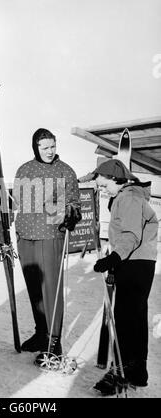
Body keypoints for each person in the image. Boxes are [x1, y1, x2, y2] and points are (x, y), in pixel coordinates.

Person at [89, 159, 158, 395]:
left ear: (114, 178)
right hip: (138, 261)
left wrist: (113, 258)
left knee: (127, 319)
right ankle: (136, 372)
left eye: (103, 184)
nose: (102, 189)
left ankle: (122, 371)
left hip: (134, 263)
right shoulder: (129, 196)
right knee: (135, 318)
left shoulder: (128, 197)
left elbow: (130, 235)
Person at [13, 128, 81, 363]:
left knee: (50, 290)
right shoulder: (25, 169)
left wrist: (71, 213)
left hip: (50, 234)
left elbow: (74, 203)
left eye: (52, 146)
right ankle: (41, 334)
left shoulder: (65, 171)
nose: (50, 151)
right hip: (26, 235)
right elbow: (17, 200)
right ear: (36, 147)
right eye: (44, 147)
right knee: (34, 288)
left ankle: (53, 343)